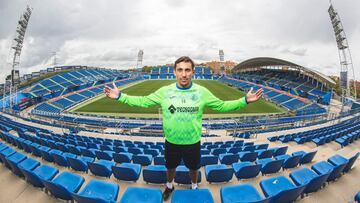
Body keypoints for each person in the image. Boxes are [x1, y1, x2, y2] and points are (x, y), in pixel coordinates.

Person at [104, 56, 263, 201]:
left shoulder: (202, 91)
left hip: (193, 142)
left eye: (187, 70)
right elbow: (143, 101)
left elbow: (222, 106)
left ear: (193, 72)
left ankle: (194, 185)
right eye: (180, 70)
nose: (184, 74)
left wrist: (244, 100)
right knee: (170, 167)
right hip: (171, 141)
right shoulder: (165, 91)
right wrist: (120, 96)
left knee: (193, 168)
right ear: (174, 72)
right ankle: (169, 185)